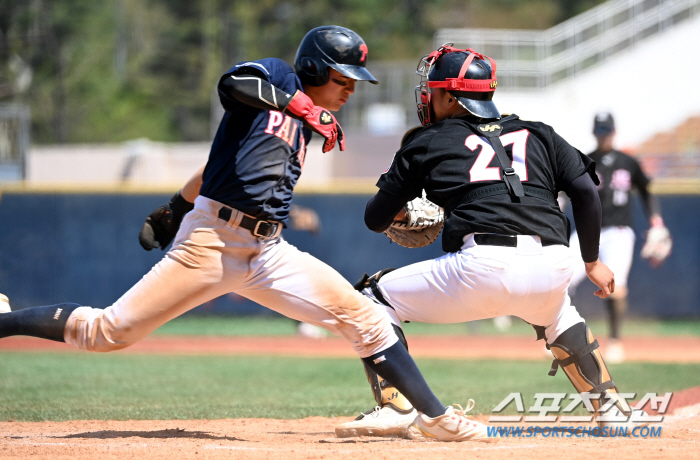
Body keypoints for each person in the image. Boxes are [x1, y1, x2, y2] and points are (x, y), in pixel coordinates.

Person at [0, 27, 492, 443]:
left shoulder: (306, 124)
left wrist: (173, 207)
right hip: (210, 243)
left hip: (268, 250)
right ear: (316, 70)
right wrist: (303, 107)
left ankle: (437, 418)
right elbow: (234, 82)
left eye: (354, 82)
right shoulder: (279, 77)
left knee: (365, 318)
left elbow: (216, 164)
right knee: (105, 333)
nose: (350, 91)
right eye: (344, 79)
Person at [335, 44, 648, 438]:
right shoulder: (540, 133)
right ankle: (611, 409)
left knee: (370, 296)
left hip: (481, 266)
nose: (427, 96)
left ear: (449, 95)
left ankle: (396, 407)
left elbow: (374, 218)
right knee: (558, 314)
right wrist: (591, 262)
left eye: (432, 89)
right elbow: (586, 193)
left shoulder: (427, 140)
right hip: (553, 264)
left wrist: (409, 213)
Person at [567, 112, 670, 363]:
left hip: (619, 231)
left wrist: (656, 222)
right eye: (600, 131)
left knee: (616, 286)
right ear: (595, 132)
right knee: (561, 277)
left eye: (607, 130)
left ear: (614, 131)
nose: (604, 135)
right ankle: (558, 337)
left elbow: (646, 191)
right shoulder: (585, 160)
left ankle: (615, 340)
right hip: (586, 230)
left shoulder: (628, 161)